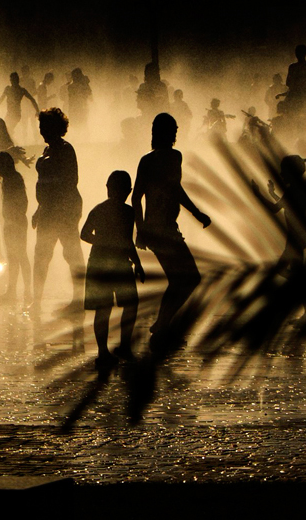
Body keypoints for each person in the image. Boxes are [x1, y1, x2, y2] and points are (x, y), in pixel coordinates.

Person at [133, 113, 211, 350]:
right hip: (162, 229)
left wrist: (141, 229)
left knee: (179, 280)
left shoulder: (154, 159)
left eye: (176, 130)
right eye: (172, 130)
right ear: (162, 132)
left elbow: (145, 196)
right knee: (189, 278)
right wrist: (141, 229)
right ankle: (162, 325)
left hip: (162, 228)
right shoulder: (165, 158)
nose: (175, 134)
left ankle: (162, 324)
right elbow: (145, 195)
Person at [81, 170, 146, 368]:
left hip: (99, 262)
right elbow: (127, 241)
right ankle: (123, 346)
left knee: (103, 309)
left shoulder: (99, 210)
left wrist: (101, 242)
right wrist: (137, 264)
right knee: (129, 304)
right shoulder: (128, 212)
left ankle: (104, 352)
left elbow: (84, 234)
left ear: (108, 188)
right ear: (128, 191)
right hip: (119, 263)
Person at [31, 108, 85, 315]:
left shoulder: (65, 150)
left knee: (71, 253)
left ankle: (79, 301)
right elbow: (43, 182)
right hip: (48, 209)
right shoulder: (48, 150)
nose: (41, 131)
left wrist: (57, 209)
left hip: (64, 208)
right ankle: (36, 301)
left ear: (56, 128)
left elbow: (71, 181)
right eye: (40, 127)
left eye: (45, 126)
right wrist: (40, 208)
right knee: (41, 255)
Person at [259, 155, 306, 318]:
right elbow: (283, 205)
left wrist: (258, 194)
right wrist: (272, 193)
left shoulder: (294, 190)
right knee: (291, 272)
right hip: (295, 238)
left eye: (283, 170)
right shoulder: (297, 189)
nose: (281, 173)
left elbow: (275, 209)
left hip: (295, 239)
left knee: (285, 271)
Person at [0, 117, 31, 271]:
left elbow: (15, 156)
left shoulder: (8, 146)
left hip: (6, 191)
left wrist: (24, 159)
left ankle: (9, 261)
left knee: (6, 227)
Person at [0, 151, 32, 303]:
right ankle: (14, 291)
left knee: (20, 256)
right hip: (13, 221)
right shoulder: (12, 178)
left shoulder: (13, 179)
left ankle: (25, 291)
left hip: (16, 222)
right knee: (15, 257)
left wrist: (13, 219)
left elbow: (23, 202)